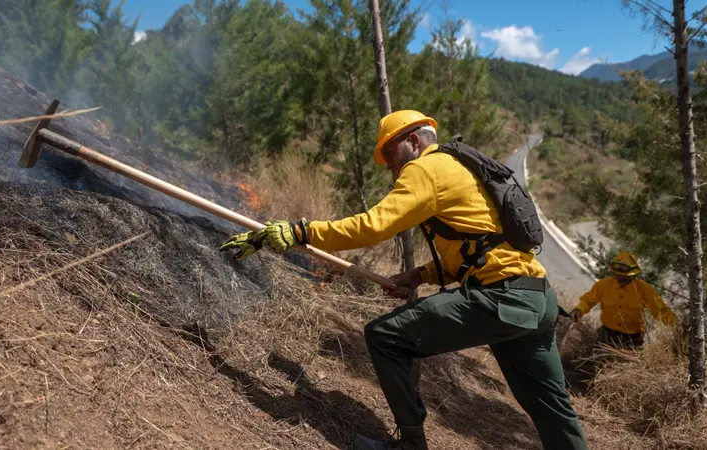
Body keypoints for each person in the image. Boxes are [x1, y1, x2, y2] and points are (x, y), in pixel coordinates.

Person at [220, 110, 588, 450]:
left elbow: (373, 226)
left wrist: (302, 231)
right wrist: (420, 275)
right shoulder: (458, 167)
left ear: (413, 141)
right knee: (551, 406)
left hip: (502, 299)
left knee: (386, 337)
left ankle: (412, 445)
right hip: (537, 300)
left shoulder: (426, 169)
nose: (391, 168)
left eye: (390, 154)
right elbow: (476, 250)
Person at [571, 251, 678, 350]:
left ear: (632, 274)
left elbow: (660, 311)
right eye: (616, 272)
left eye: (622, 273)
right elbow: (588, 301)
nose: (618, 275)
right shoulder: (603, 285)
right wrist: (579, 310)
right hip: (606, 335)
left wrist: (677, 327)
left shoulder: (644, 289)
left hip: (632, 340)